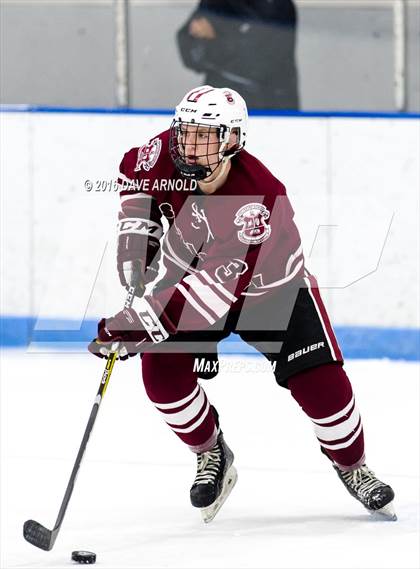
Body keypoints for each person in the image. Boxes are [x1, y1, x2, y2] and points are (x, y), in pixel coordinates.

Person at [89, 85, 396, 523]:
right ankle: (212, 451)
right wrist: (135, 240)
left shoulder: (257, 197)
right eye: (185, 131)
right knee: (162, 380)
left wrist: (138, 323)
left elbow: (212, 293)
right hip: (191, 277)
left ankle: (353, 466)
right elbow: (133, 180)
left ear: (232, 141)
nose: (188, 145)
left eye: (204, 136)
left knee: (325, 391)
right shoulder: (163, 151)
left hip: (273, 292)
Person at [177, 0, 300, 110]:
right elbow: (189, 48)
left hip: (270, 106)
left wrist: (214, 41)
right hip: (219, 104)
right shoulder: (214, 3)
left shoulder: (279, 6)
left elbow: (259, 61)